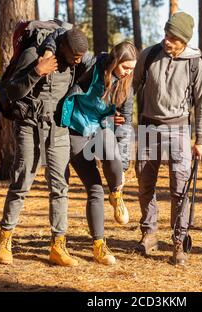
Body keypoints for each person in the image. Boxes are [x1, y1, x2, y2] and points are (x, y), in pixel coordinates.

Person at [0, 27, 91, 267]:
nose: (78, 61)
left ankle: (58, 245)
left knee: (60, 185)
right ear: (63, 48)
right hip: (29, 125)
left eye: (80, 57)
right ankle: (4, 239)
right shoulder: (32, 55)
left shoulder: (75, 62)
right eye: (75, 56)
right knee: (22, 182)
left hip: (57, 127)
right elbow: (11, 92)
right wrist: (38, 71)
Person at [42, 38, 137, 265]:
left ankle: (116, 194)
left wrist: (123, 165)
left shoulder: (127, 88)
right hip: (76, 129)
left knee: (115, 158)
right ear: (115, 61)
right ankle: (99, 246)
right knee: (94, 188)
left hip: (101, 128)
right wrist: (47, 51)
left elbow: (124, 124)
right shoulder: (91, 63)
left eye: (132, 69)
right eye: (125, 67)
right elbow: (61, 38)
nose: (127, 73)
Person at [133, 12, 202, 266]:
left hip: (178, 131)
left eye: (174, 38)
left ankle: (179, 241)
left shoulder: (195, 64)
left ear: (185, 40)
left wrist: (201, 139)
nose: (167, 41)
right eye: (166, 35)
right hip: (147, 127)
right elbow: (131, 88)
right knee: (145, 183)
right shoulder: (148, 55)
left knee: (180, 189)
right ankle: (149, 233)